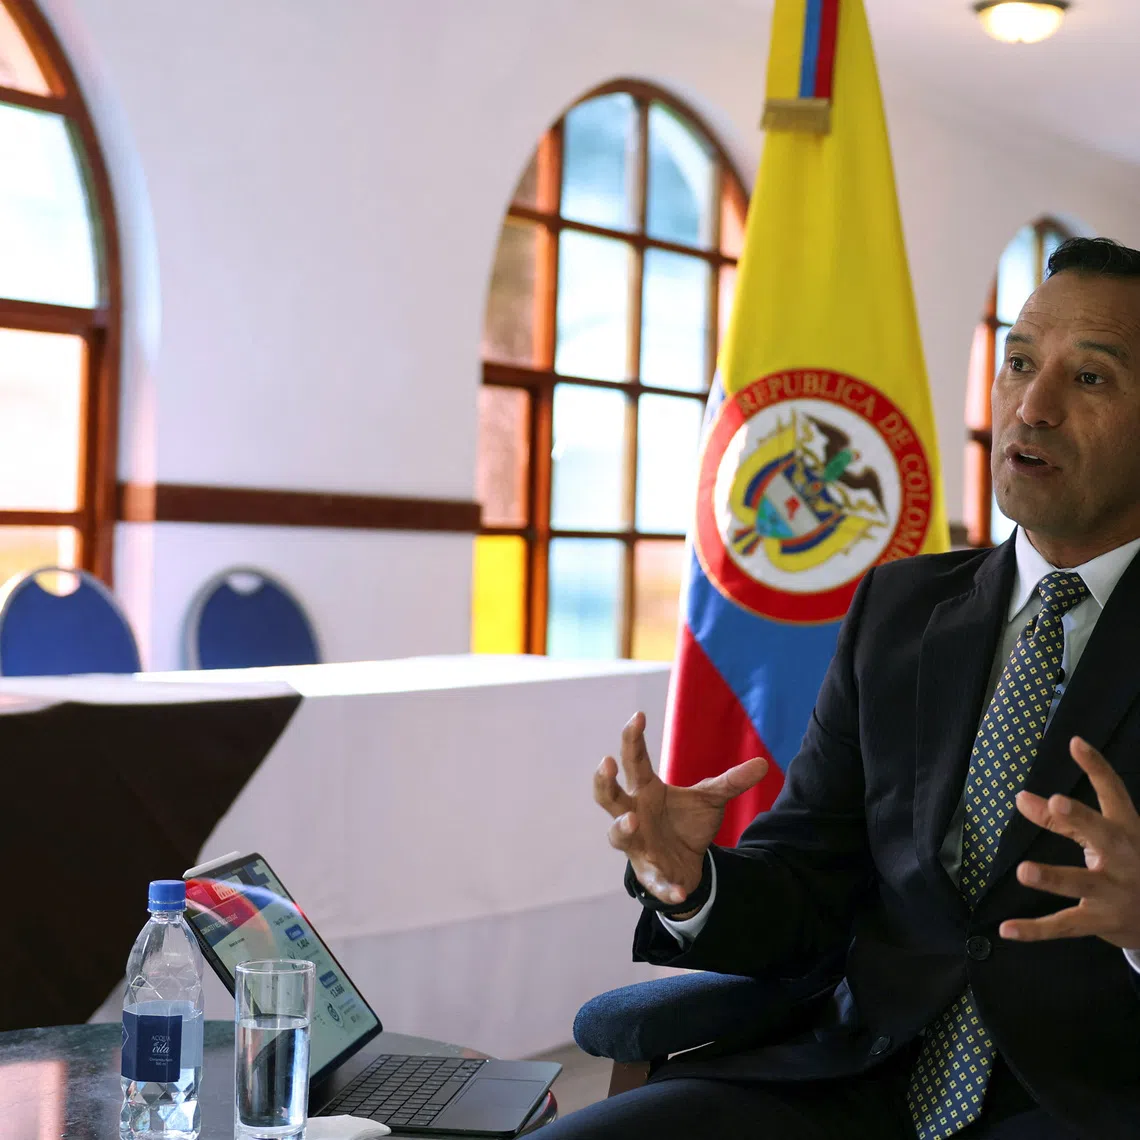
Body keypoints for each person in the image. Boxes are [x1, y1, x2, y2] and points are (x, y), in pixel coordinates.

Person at [542, 237, 1140, 1140]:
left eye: (1089, 379)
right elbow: (811, 880)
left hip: (1087, 1102)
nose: (1034, 405)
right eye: (1018, 363)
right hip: (855, 1076)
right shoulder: (901, 608)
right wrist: (692, 881)